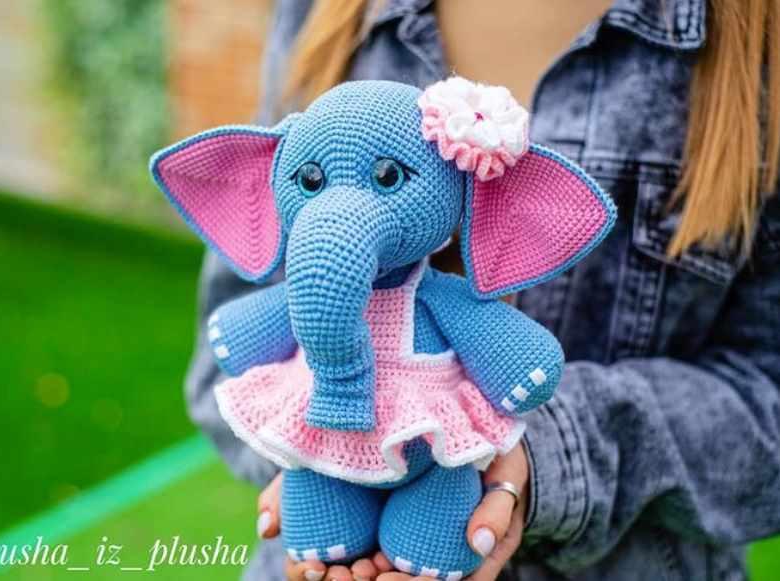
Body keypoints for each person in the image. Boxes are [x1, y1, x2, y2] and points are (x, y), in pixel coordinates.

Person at [184, 1, 780, 579]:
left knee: (443, 487)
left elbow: (763, 398)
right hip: (319, 518)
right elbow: (225, 358)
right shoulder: (323, 9)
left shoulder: (757, 34)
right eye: (312, 182)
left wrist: (539, 454)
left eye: (389, 178)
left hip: (484, 480)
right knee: (322, 504)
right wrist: (310, 453)